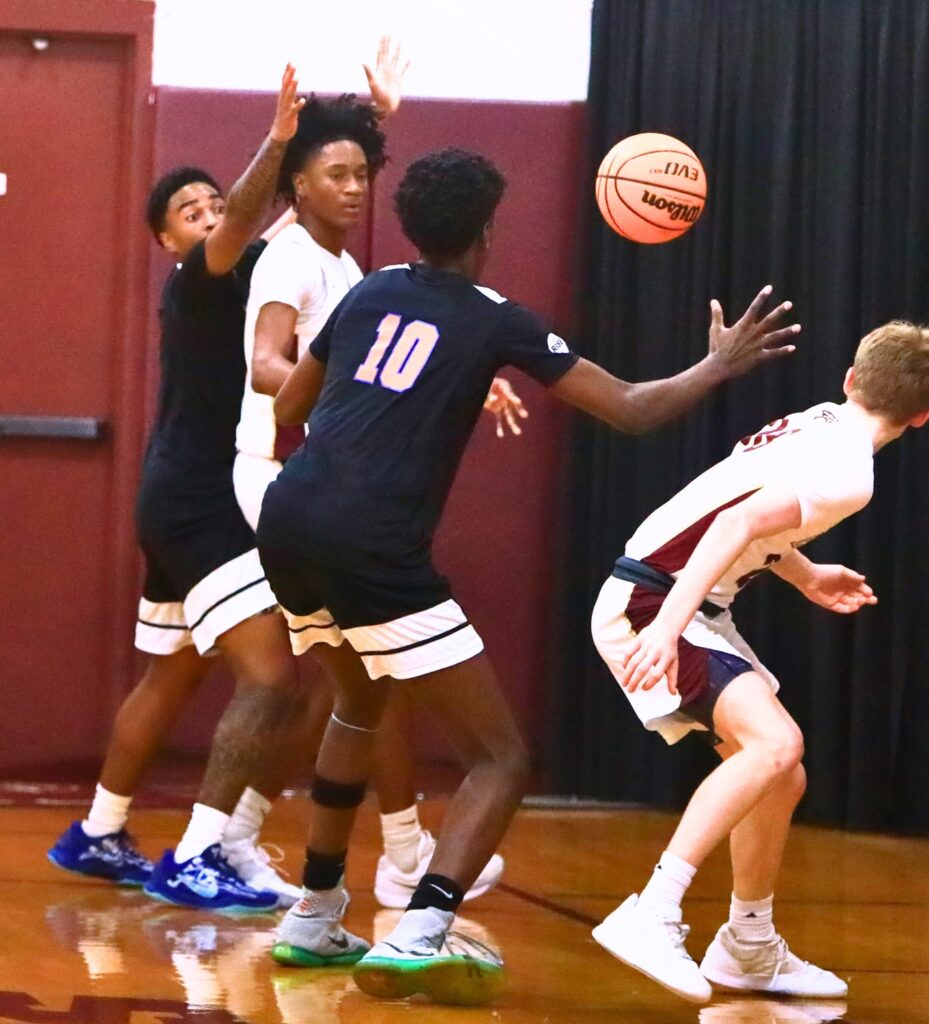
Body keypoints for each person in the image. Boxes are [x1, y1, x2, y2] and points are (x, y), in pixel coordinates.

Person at [253, 147, 800, 1003]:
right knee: (500, 756)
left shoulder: (369, 291)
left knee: (358, 702)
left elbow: (288, 407)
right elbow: (627, 407)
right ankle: (423, 928)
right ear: (485, 229)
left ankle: (315, 913)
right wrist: (717, 366)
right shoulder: (496, 316)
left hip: (288, 516)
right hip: (371, 538)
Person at [589, 322, 929, 1003]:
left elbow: (741, 511)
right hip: (654, 600)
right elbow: (732, 526)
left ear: (850, 378)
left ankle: (748, 945)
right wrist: (666, 628)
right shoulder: (850, 473)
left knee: (779, 776)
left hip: (683, 598)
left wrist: (808, 574)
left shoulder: (814, 420)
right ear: (923, 416)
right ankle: (653, 911)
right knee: (777, 743)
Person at [236, 87, 519, 911]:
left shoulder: (356, 271)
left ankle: (358, 871)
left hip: (315, 479)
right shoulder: (291, 256)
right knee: (346, 677)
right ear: (301, 182)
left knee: (358, 685)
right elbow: (264, 367)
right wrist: (363, 412)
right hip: (280, 468)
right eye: (338, 172)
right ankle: (251, 836)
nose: (356, 186)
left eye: (366, 172)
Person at [47, 66, 309, 913]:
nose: (208, 215)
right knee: (275, 674)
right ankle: (201, 857)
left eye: (211, 202)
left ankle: (98, 829)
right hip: (203, 500)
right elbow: (252, 211)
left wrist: (370, 123)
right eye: (189, 212)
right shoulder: (200, 278)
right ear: (171, 243)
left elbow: (306, 213)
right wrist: (273, 140)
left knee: (170, 678)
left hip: (177, 496)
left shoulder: (263, 273)